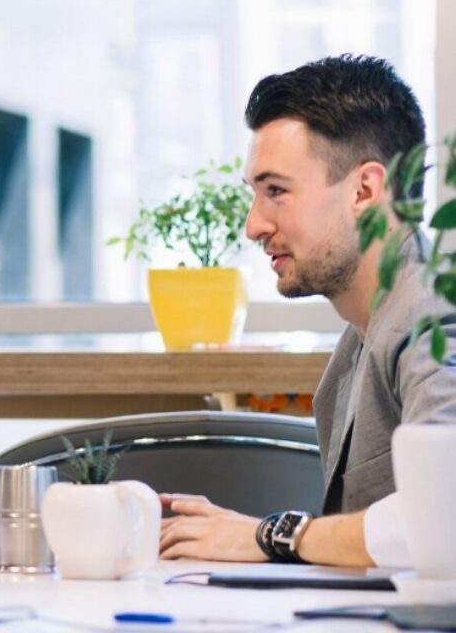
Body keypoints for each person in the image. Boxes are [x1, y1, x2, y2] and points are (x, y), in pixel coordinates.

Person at [159, 54, 456, 567]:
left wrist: (272, 536)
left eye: (276, 191)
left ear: (365, 190)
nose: (254, 225)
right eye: (256, 195)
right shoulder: (364, 330)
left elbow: (444, 516)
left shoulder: (432, 318)